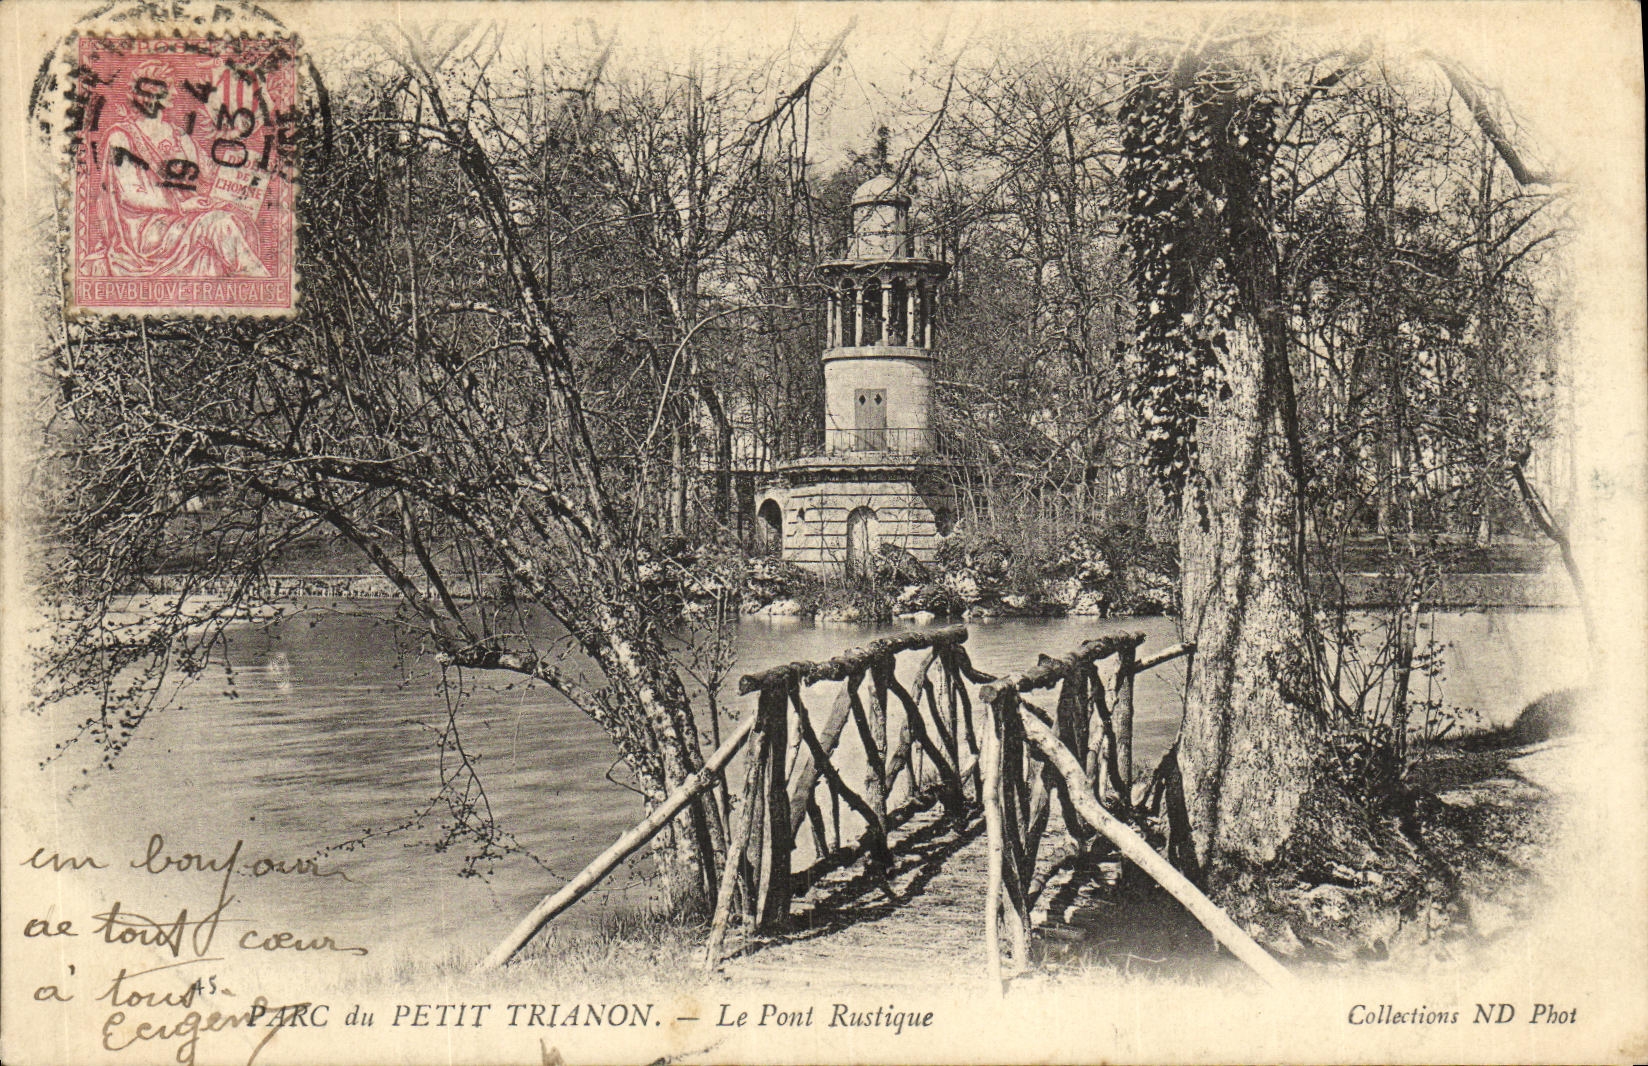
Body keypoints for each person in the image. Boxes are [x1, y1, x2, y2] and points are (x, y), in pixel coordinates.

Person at [93, 59, 270, 278]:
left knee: (232, 219)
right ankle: (258, 281)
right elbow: (130, 195)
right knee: (220, 224)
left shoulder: (178, 135)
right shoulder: (121, 137)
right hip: (147, 231)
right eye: (170, 87)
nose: (176, 93)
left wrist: (242, 157)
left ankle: (250, 285)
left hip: (181, 219)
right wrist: (182, 205)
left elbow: (210, 171)